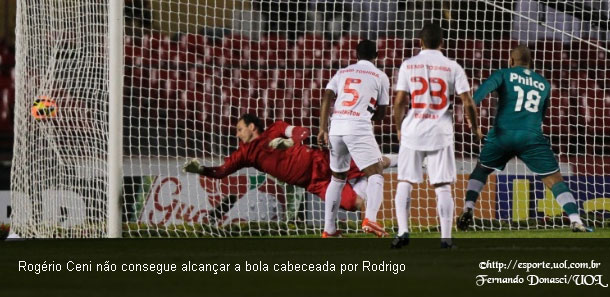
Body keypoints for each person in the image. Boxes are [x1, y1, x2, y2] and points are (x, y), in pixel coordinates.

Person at [456, 45, 593, 233]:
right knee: (555, 179)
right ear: (531, 63)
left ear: (511, 61)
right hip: (530, 137)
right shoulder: (543, 83)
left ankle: (468, 207)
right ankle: (576, 220)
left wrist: (476, 127)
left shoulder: (503, 74)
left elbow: (474, 99)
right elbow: (541, 116)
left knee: (481, 169)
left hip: (502, 136)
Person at [183, 114, 396, 214]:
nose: (237, 134)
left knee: (373, 163)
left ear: (250, 127)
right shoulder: (244, 154)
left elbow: (302, 132)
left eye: (239, 129)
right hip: (315, 184)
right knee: (353, 204)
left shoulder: (275, 128)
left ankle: (400, 158)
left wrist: (291, 141)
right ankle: (374, 225)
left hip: (321, 161)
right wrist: (200, 169)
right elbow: (222, 171)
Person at [391, 23, 482, 249]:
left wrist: (399, 128)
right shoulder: (452, 67)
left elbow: (400, 101)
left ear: (419, 42)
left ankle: (403, 232)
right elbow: (468, 102)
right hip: (441, 132)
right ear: (442, 42)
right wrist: (475, 126)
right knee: (442, 186)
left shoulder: (408, 65)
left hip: (413, 130)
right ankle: (445, 238)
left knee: (405, 181)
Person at [317, 39, 390, 238]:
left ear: (356, 56)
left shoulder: (342, 72)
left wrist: (322, 129)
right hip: (358, 126)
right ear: (376, 56)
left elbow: (327, 96)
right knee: (375, 173)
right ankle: (371, 219)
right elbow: (382, 113)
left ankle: (329, 230)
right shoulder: (380, 76)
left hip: (336, 127)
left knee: (337, 178)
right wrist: (367, 113)